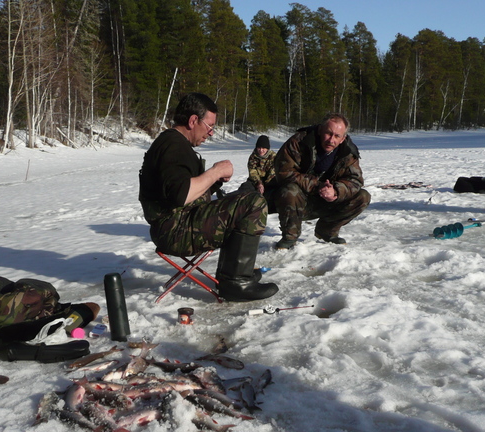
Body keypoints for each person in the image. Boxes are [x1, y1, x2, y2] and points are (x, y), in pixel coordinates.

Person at [138, 92, 278, 302]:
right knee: (253, 203)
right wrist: (214, 171)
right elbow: (181, 194)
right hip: (175, 231)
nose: (211, 133)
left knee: (243, 199)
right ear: (193, 120)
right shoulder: (172, 146)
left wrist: (215, 182)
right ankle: (235, 283)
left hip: (178, 224)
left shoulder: (175, 144)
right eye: (210, 126)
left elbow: (183, 192)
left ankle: (235, 273)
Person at [273, 113, 371, 249]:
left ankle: (327, 230)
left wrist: (336, 191)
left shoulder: (348, 152)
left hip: (328, 201)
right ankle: (290, 236)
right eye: (328, 133)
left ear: (343, 138)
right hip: (297, 199)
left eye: (337, 136)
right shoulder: (299, 142)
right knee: (290, 190)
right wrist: (318, 186)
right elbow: (285, 172)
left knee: (363, 196)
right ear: (320, 130)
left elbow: (355, 180)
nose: (331, 140)